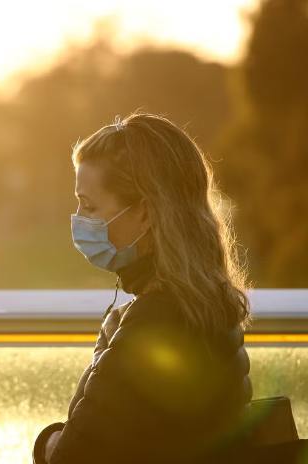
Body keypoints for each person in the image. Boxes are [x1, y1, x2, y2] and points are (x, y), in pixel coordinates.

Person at [34, 113, 253, 464]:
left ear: (146, 214)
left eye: (89, 205)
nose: (78, 218)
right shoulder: (210, 305)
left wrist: (47, 444)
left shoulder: (151, 325)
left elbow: (71, 456)